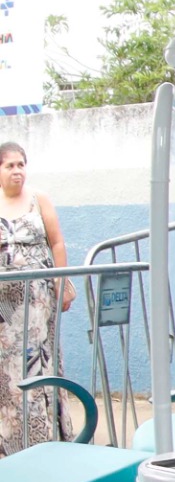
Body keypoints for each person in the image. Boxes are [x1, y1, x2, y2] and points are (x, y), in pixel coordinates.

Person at [0, 142, 74, 455]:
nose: (17, 171)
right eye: (10, 166)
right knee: (7, 369)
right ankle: (11, 441)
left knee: (36, 362)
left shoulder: (38, 199)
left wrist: (61, 282)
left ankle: (44, 437)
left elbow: (56, 242)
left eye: (21, 164)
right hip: (4, 306)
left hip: (37, 300)